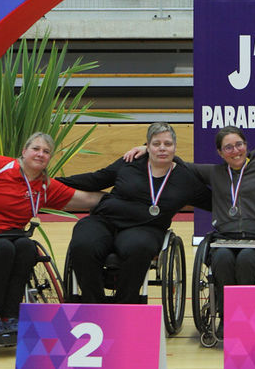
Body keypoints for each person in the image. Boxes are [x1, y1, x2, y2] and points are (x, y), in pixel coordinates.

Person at [0, 132, 100, 345]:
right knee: (4, 248)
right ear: (24, 151)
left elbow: (86, 199)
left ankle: (12, 316)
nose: (40, 154)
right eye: (36, 149)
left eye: (46, 152)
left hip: (10, 235)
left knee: (26, 247)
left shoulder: (44, 187)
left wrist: (129, 196)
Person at [58, 122, 211, 303]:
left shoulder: (186, 180)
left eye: (168, 144)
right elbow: (95, 180)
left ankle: (126, 305)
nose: (162, 148)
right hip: (105, 219)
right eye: (156, 144)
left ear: (175, 148)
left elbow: (214, 201)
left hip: (146, 228)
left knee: (138, 247)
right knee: (83, 243)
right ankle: (93, 304)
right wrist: (53, 182)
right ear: (147, 146)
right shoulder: (130, 162)